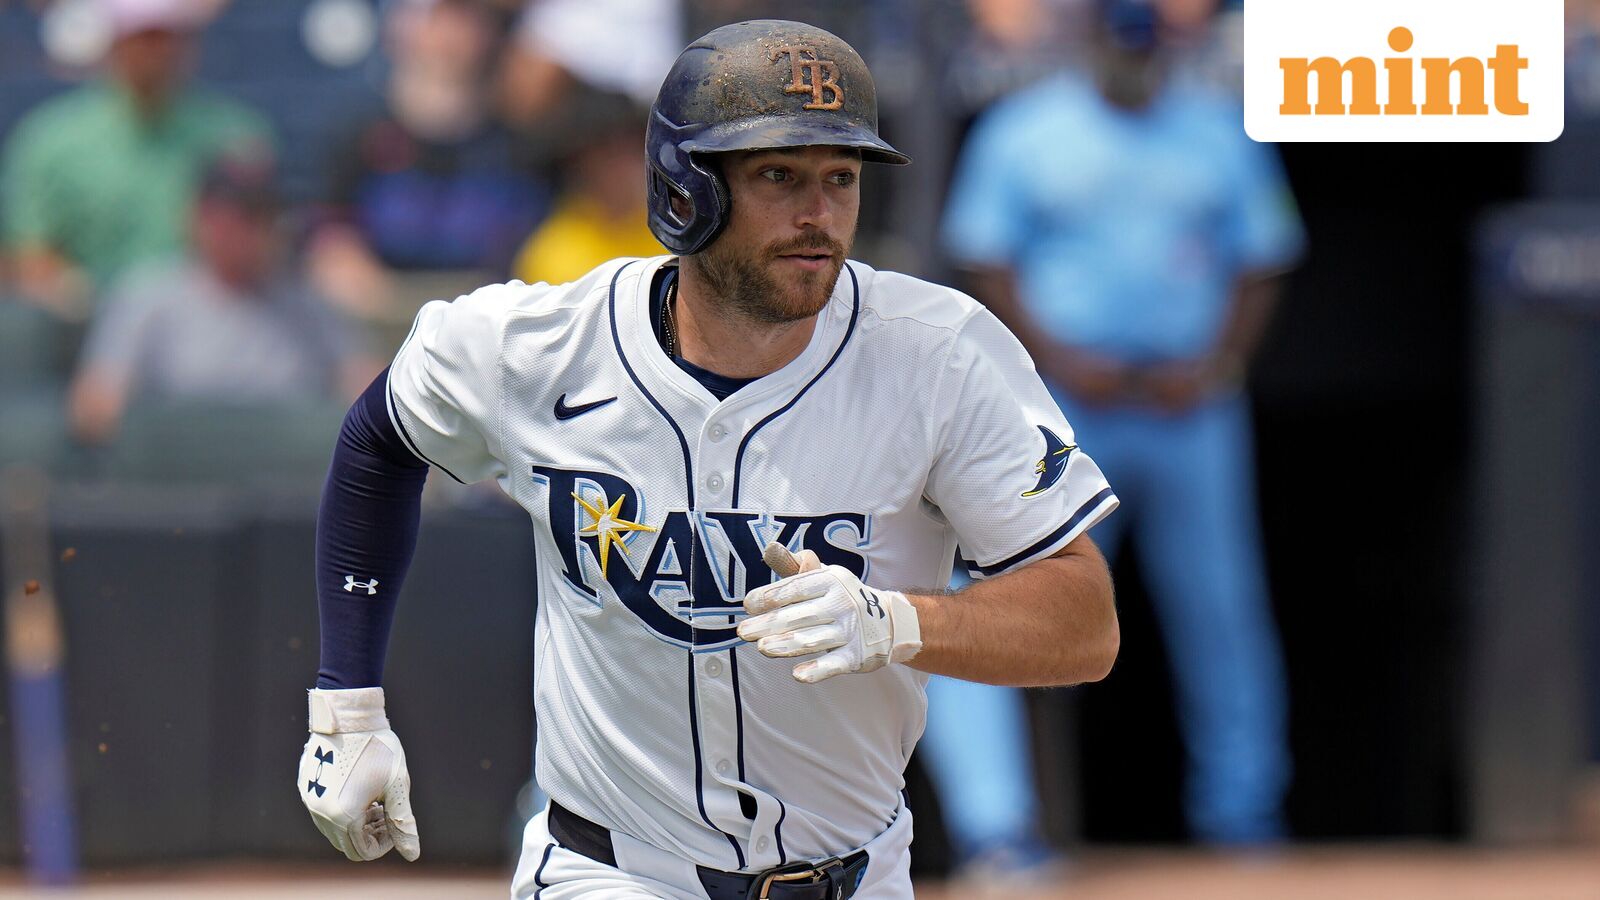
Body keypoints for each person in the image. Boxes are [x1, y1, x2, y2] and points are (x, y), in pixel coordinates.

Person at [296, 20, 1120, 900]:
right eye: (778, 177)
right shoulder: (539, 346)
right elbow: (379, 439)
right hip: (610, 872)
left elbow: (1086, 623)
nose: (819, 214)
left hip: (855, 872)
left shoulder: (937, 352)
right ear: (685, 192)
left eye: (840, 179)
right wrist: (345, 701)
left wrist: (898, 622)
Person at [942, 0, 1303, 846]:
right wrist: (1055, 360)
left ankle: (1243, 817)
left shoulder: (1219, 131)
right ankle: (1000, 827)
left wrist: (1218, 364)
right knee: (1000, 603)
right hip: (1067, 415)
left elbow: (1265, 257)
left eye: (1145, 39)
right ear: (1090, 38)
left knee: (1220, 610)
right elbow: (984, 257)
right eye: (1118, 36)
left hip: (1191, 409)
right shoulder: (1024, 130)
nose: (1130, 54)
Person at [68, 152, 372, 445]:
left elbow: (369, 392)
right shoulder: (147, 297)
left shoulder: (309, 303)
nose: (240, 231)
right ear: (197, 217)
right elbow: (94, 405)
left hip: (288, 481)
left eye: (257, 216)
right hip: (180, 480)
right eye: (229, 216)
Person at [0, 0, 271, 322]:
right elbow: (30, 254)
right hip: (85, 326)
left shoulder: (238, 137)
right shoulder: (50, 138)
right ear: (115, 42)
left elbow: (261, 245)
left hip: (211, 325)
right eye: (144, 37)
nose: (156, 51)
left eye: (166, 36)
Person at [309, 0, 547, 318]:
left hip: (490, 324)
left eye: (467, 20)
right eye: (439, 19)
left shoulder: (519, 146)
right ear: (402, 29)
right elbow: (330, 243)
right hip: (385, 323)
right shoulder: (360, 137)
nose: (451, 37)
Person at [510, 90, 661, 286]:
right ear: (581, 164)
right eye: (607, 155)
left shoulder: (673, 231)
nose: (621, 166)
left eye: (628, 148)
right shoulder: (551, 254)